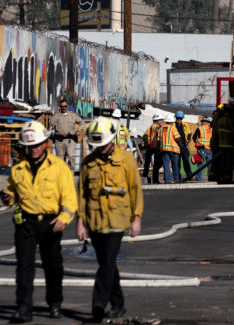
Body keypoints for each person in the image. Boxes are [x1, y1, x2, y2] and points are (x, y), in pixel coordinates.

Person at [0, 121, 77, 322]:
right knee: (24, 266)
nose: (33, 149)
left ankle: (55, 303)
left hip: (51, 223)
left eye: (37, 145)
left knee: (53, 266)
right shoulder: (18, 170)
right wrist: (8, 198)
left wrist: (64, 218)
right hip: (26, 223)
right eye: (30, 146)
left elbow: (69, 198)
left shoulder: (59, 167)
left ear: (45, 144)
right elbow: (14, 195)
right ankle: (24, 308)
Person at [76, 117, 143, 322]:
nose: (100, 147)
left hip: (117, 218)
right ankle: (118, 304)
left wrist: (136, 218)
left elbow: (135, 189)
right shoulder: (88, 163)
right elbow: (82, 193)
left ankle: (98, 304)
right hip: (95, 219)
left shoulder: (126, 159)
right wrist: (80, 221)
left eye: (103, 143)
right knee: (108, 263)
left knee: (106, 264)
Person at [50, 99, 84, 172]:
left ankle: (71, 172)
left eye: (65, 106)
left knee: (70, 155)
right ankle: (61, 174)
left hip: (70, 140)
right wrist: (57, 113)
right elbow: (51, 123)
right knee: (60, 159)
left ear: (67, 106)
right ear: (59, 107)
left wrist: (78, 130)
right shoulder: (56, 116)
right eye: (62, 106)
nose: (63, 108)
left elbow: (82, 123)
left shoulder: (72, 115)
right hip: (59, 140)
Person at [214, 104, 234, 184]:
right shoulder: (229, 120)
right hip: (229, 144)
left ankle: (221, 177)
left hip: (221, 144)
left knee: (222, 162)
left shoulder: (219, 120)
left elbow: (216, 132)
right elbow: (233, 131)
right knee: (228, 163)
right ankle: (227, 177)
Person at [142, 113, 164, 183]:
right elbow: (145, 136)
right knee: (157, 163)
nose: (162, 121)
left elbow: (145, 136)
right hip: (155, 147)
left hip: (150, 146)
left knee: (148, 162)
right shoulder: (156, 127)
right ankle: (155, 179)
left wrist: (147, 143)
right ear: (157, 120)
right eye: (161, 120)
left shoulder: (151, 127)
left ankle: (145, 174)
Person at [159, 115, 183, 183]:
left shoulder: (161, 129)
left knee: (166, 165)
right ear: (172, 122)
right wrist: (181, 145)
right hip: (173, 150)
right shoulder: (173, 128)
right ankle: (176, 179)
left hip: (164, 149)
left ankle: (167, 180)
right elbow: (177, 138)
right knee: (175, 165)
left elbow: (158, 140)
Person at [174, 111, 194, 180]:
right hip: (176, 146)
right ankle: (177, 177)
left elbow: (189, 135)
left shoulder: (185, 125)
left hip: (183, 146)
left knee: (186, 161)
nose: (179, 119)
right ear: (176, 118)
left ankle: (189, 176)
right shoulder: (173, 125)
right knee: (177, 162)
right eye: (178, 118)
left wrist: (189, 139)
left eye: (180, 118)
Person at [192, 116, 212, 181]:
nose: (201, 123)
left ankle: (199, 178)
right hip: (210, 149)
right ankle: (210, 178)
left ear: (204, 122)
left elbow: (194, 137)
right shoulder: (211, 129)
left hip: (202, 149)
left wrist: (197, 143)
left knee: (200, 164)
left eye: (202, 122)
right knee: (210, 164)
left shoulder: (200, 128)